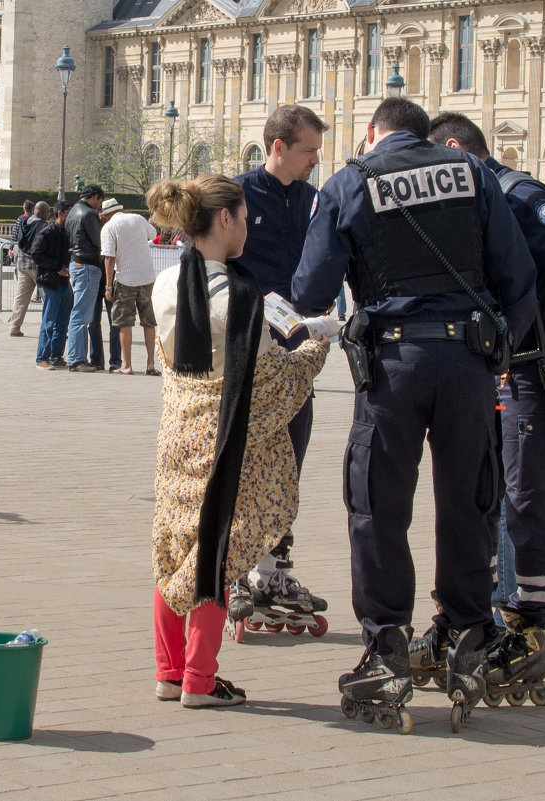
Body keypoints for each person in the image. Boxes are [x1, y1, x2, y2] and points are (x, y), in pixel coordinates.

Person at [291, 98, 537, 730]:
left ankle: (387, 645)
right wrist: (500, 351)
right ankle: (465, 634)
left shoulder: (350, 183)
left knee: (377, 506)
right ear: (427, 134)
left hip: (392, 367)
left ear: (373, 132)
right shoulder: (474, 174)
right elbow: (518, 275)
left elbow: (312, 290)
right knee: (468, 501)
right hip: (468, 362)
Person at [427, 112, 545, 703]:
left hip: (536, 367)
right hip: (485, 366)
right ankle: (471, 614)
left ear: (457, 149)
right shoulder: (463, 201)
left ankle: (529, 625)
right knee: (480, 493)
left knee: (527, 495)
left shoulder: (518, 195)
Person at [147, 174, 329, 708]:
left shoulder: (165, 283)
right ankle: (200, 681)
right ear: (223, 220)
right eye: (245, 218)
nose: (248, 228)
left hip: (178, 433)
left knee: (171, 545)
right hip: (225, 442)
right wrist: (316, 347)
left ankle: (168, 671)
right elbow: (270, 385)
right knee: (215, 554)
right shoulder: (242, 297)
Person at [229, 103, 332, 624]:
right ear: (278, 147)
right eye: (309, 150)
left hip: (297, 354)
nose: (317, 159)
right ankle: (233, 567)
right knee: (243, 460)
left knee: (290, 459)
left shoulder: (316, 202)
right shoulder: (236, 196)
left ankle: (274, 568)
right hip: (248, 349)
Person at [101, 199, 160, 375]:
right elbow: (153, 234)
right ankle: (150, 364)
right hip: (147, 277)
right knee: (149, 322)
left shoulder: (109, 228)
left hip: (125, 279)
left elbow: (109, 258)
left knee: (124, 323)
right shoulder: (138, 219)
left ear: (106, 215)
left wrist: (108, 286)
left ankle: (127, 365)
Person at [64, 185, 106, 373]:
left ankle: (77, 357)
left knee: (80, 313)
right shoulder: (88, 214)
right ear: (95, 197)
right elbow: (99, 241)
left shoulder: (73, 211)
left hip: (78, 263)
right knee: (81, 315)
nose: (100, 205)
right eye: (100, 201)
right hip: (88, 264)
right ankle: (76, 359)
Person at [34, 201, 74, 368]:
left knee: (63, 322)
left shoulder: (68, 232)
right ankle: (42, 357)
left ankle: (56, 356)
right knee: (49, 321)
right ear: (60, 213)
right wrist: (57, 267)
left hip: (65, 282)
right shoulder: (47, 232)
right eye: (69, 213)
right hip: (51, 281)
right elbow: (36, 254)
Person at [9, 200, 47, 337]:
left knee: (21, 297)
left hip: (22, 263)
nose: (48, 215)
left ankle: (14, 327)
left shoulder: (25, 222)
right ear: (42, 212)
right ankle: (50, 327)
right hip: (36, 266)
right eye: (47, 212)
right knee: (47, 297)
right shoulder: (42, 225)